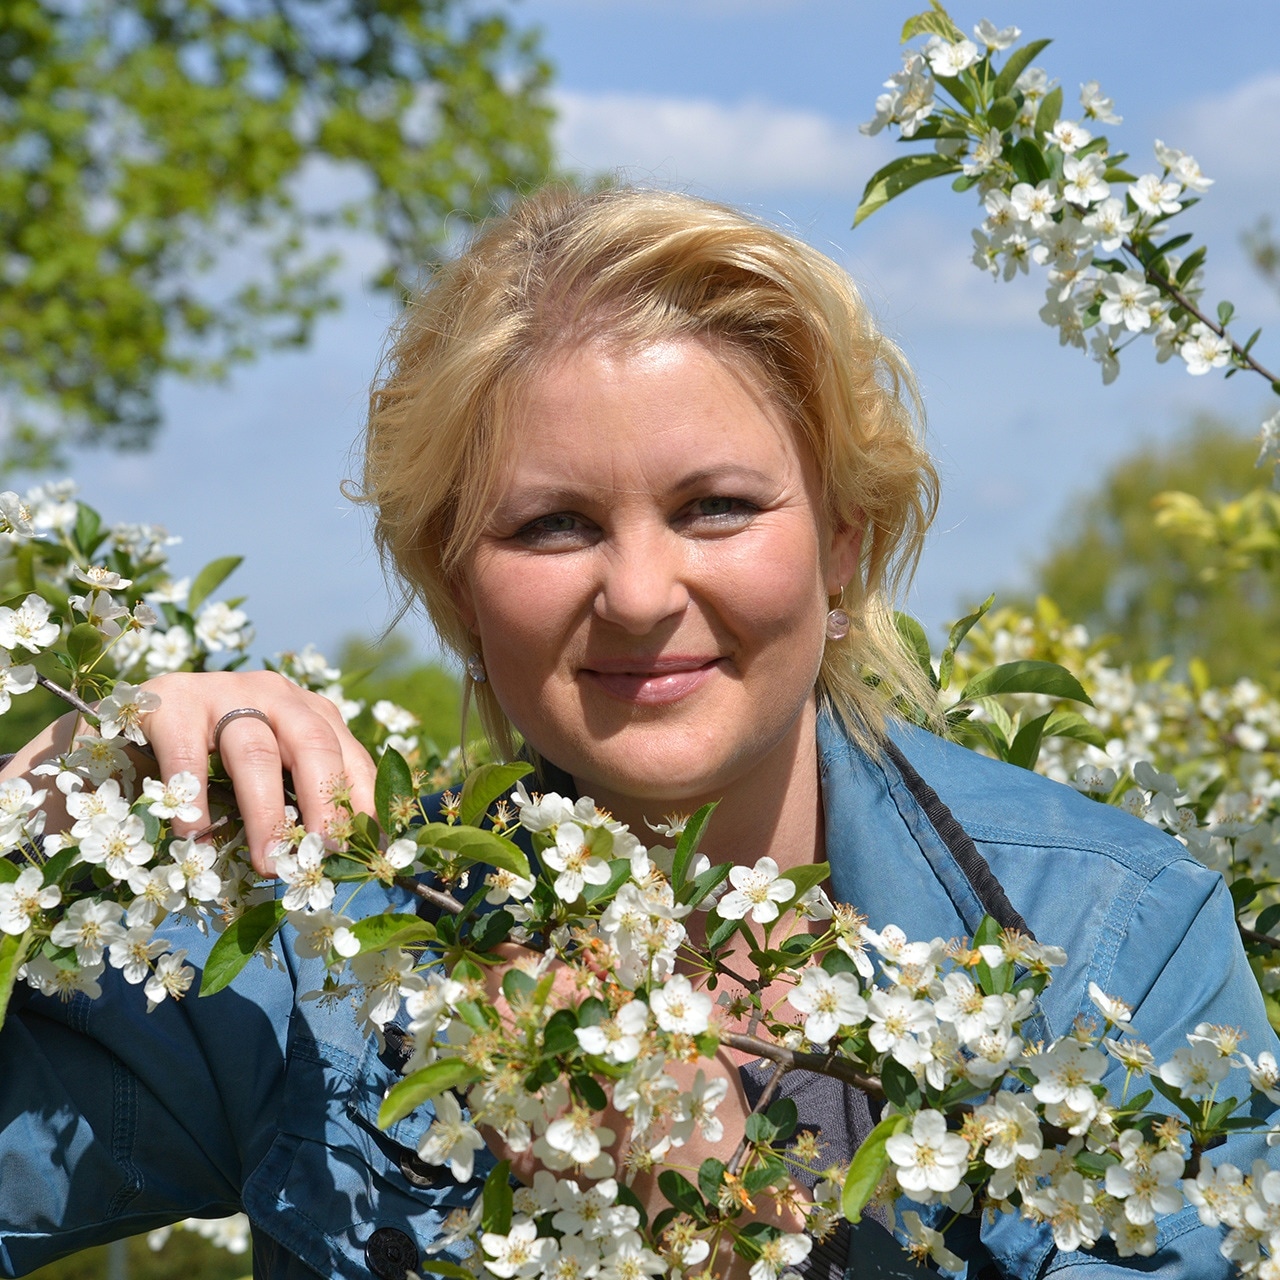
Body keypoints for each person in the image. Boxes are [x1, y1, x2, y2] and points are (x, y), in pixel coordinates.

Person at [1, 185, 1276, 1280]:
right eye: (550, 525)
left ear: (841, 540)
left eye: (715, 506)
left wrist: (702, 1214)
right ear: (457, 589)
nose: (641, 592)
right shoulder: (324, 950)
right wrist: (36, 827)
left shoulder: (1108, 945)